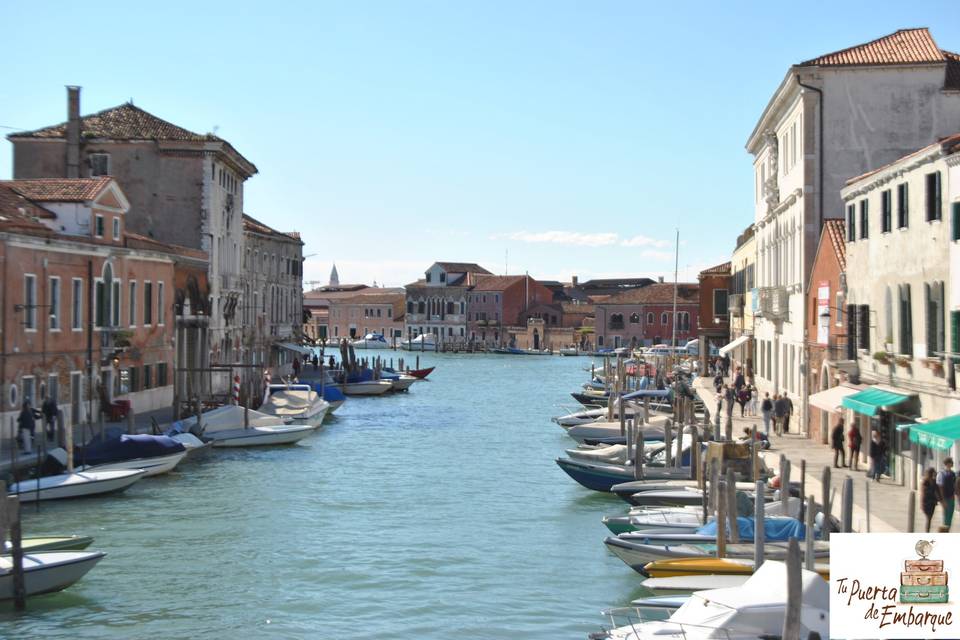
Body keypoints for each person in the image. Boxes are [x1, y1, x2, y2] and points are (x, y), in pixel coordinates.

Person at [937, 457, 958, 531]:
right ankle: (944, 532)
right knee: (946, 516)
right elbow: (940, 487)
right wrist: (943, 500)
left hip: (951, 497)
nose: (952, 464)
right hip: (945, 498)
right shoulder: (941, 473)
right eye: (951, 462)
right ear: (948, 463)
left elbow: (954, 486)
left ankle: (947, 530)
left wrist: (954, 496)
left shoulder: (953, 473)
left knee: (950, 516)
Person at [921, 468, 939, 533]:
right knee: (929, 518)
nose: (934, 474)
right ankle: (927, 532)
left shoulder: (934, 481)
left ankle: (927, 531)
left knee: (929, 519)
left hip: (932, 503)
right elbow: (925, 492)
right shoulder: (925, 481)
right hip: (926, 503)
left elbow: (937, 491)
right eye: (933, 473)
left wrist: (937, 499)